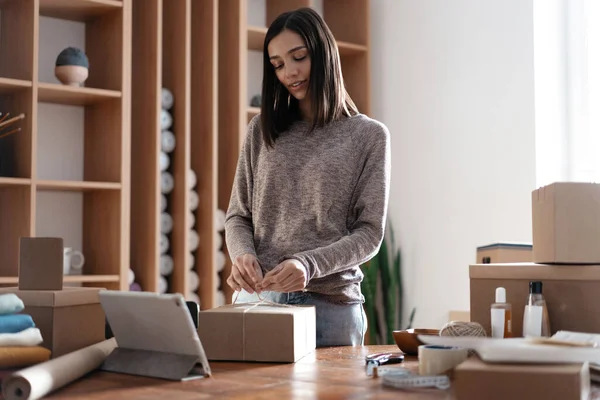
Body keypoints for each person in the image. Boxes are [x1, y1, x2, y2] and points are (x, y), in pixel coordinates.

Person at [224, 7, 391, 347]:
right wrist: (242, 254)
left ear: (323, 53)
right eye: (278, 64)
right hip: (259, 303)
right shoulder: (261, 130)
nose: (289, 72)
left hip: (330, 311)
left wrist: (308, 265)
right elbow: (238, 215)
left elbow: (370, 233)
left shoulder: (369, 136)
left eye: (298, 57)